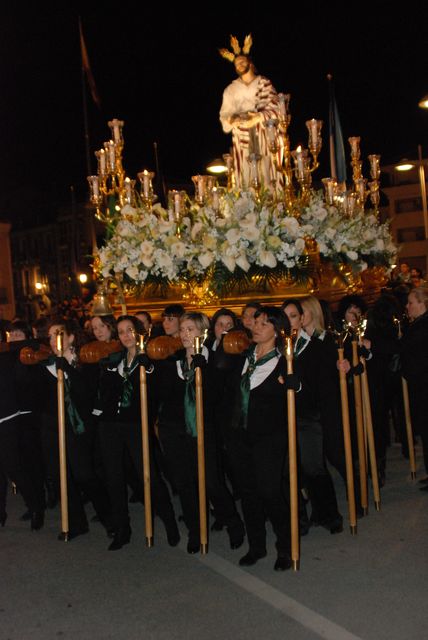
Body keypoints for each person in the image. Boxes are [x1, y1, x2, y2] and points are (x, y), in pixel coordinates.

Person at [153, 311, 245, 554]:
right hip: (174, 429)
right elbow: (162, 395)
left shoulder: (215, 360)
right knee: (184, 483)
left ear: (202, 333)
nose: (184, 334)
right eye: (182, 329)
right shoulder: (173, 360)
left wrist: (205, 373)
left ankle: (233, 523)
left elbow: (218, 397)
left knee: (211, 481)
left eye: (190, 330)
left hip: (203, 429)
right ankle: (195, 530)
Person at [96, 315, 180, 550]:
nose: (125, 335)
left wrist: (148, 368)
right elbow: (106, 393)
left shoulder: (154, 360)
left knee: (149, 477)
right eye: (121, 331)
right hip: (111, 425)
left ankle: (169, 521)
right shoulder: (114, 360)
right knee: (114, 478)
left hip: (136, 425)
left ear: (140, 332)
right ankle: (123, 529)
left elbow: (161, 392)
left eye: (129, 330)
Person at [219, 34, 282, 190]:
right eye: (236, 64)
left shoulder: (264, 83)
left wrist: (259, 117)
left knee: (268, 173)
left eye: (242, 61)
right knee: (245, 176)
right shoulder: (231, 89)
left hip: (265, 136)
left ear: (250, 62)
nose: (239, 65)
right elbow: (225, 115)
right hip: (242, 138)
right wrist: (231, 120)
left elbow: (277, 107)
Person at [400, 287, 428, 488]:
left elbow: (403, 347)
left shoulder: (423, 326)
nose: (407, 307)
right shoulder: (418, 324)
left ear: (422, 303)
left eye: (411, 303)